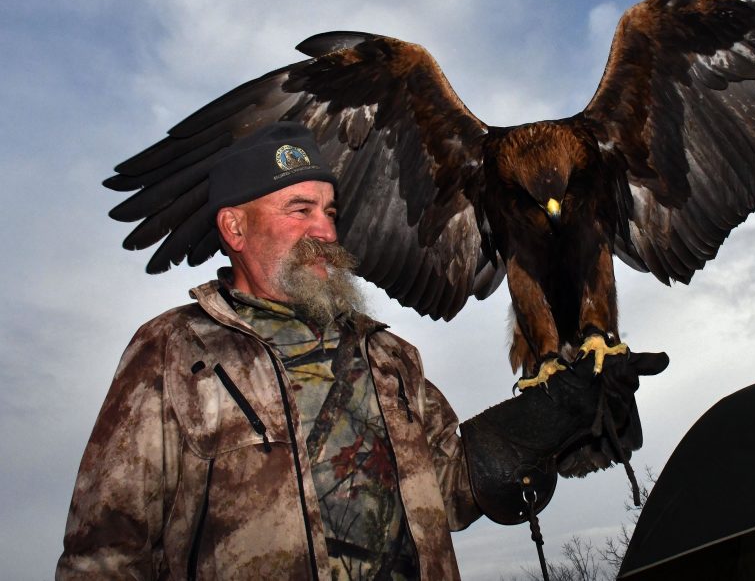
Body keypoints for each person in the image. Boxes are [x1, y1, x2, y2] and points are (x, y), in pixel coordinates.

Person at [57, 122, 665, 580]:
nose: (324, 229)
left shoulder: (386, 357)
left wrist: (552, 415)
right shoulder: (175, 353)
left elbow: (453, 486)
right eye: (299, 210)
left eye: (329, 211)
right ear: (234, 229)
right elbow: (107, 553)